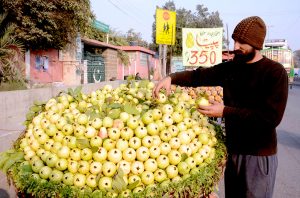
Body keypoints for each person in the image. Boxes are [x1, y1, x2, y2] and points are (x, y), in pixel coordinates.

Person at [153, 16, 288, 198]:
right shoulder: (232, 68)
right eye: (234, 40)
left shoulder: (275, 73)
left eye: (242, 42)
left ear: (256, 44)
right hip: (233, 152)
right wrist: (172, 78)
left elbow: (269, 118)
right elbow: (199, 76)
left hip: (257, 156)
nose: (235, 46)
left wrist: (225, 111)